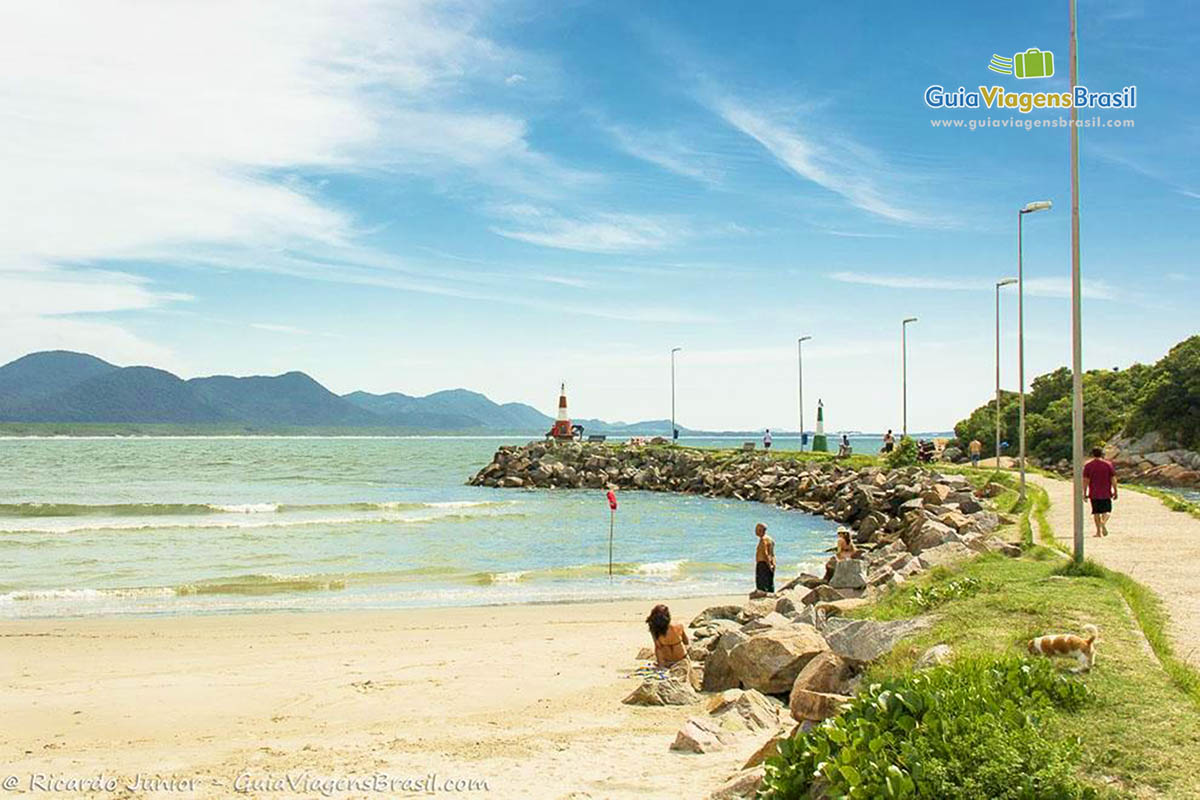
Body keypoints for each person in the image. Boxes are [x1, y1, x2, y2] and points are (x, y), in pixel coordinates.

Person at [1082, 447, 1118, 537]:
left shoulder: (1088, 466)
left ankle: (1098, 532)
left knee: (1096, 512)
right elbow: (1113, 478)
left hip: (1094, 493)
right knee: (1107, 511)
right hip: (1106, 492)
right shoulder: (1108, 464)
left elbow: (1086, 480)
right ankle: (1103, 522)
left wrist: (1085, 492)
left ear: (1092, 454)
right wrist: (1115, 490)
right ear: (1102, 454)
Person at [754, 522, 775, 592]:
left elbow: (765, 554)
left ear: (761, 530)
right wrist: (773, 564)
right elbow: (772, 554)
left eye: (757, 529)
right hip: (768, 563)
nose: (755, 531)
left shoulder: (763, 539)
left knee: (762, 585)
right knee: (769, 583)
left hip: (763, 564)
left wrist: (769, 565)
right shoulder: (770, 539)